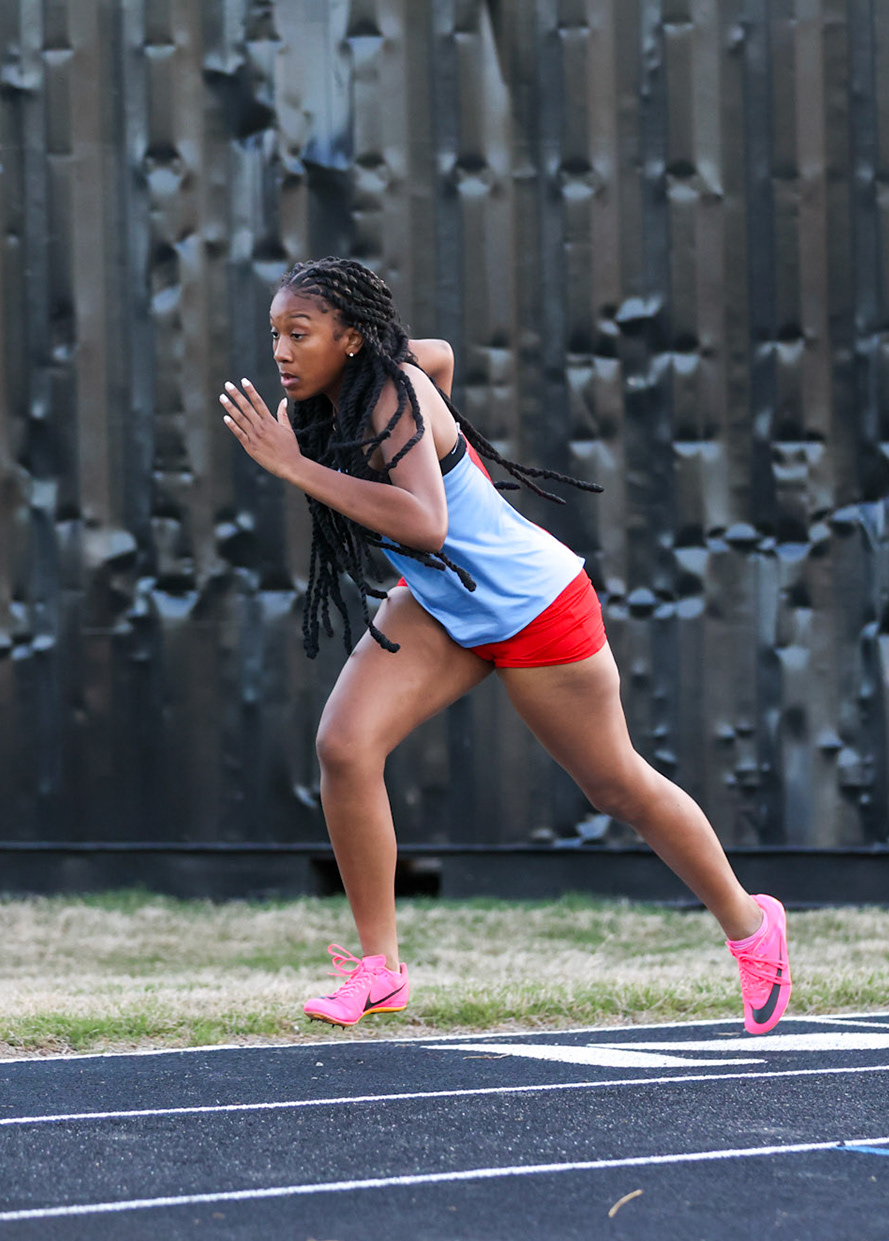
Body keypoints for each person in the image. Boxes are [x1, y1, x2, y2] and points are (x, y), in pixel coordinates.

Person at [219, 257, 791, 1035]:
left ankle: (754, 929)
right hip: (443, 604)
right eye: (276, 334)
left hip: (533, 606)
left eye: (300, 333)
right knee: (346, 748)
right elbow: (444, 354)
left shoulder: (390, 393)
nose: (281, 352)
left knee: (615, 788)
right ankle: (380, 970)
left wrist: (295, 468)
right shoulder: (344, 390)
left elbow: (425, 524)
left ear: (350, 339)